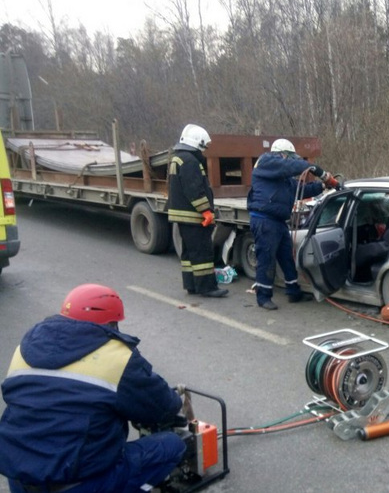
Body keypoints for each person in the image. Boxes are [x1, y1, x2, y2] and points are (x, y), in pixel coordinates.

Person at [0, 284, 186, 493]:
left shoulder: (24, 350)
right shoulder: (117, 357)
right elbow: (163, 407)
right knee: (172, 445)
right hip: (77, 485)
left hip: (19, 480)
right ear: (112, 323)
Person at [247, 138, 337, 310]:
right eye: (290, 157)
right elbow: (292, 166)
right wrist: (319, 171)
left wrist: (323, 186)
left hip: (278, 221)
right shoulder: (266, 162)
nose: (292, 161)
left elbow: (301, 189)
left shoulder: (283, 179)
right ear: (282, 154)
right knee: (266, 258)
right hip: (264, 219)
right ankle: (263, 297)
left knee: (287, 257)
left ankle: (293, 291)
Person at [167, 123, 228, 297]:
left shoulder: (178, 158)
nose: (204, 150)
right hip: (194, 217)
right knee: (202, 252)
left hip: (183, 216)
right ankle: (207, 287)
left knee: (188, 253)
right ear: (197, 142)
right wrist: (206, 211)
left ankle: (191, 284)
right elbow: (194, 189)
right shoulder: (190, 161)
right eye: (203, 146)